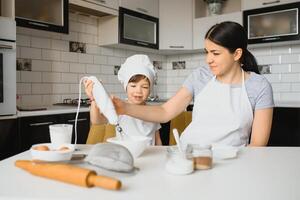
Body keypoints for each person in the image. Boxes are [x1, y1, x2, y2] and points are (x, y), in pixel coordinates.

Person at [112, 21, 274, 147]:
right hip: (189, 154)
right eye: (207, 52)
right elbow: (164, 112)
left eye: (215, 53)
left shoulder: (259, 86)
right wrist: (125, 108)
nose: (208, 59)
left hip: (232, 162)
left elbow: (257, 145)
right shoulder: (200, 76)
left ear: (237, 54)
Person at [85, 54, 162, 145]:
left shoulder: (153, 112)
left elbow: (157, 139)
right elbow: (97, 121)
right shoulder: (120, 107)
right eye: (133, 86)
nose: (138, 91)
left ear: (150, 90)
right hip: (126, 155)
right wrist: (94, 98)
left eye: (144, 87)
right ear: (125, 87)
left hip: (149, 156)